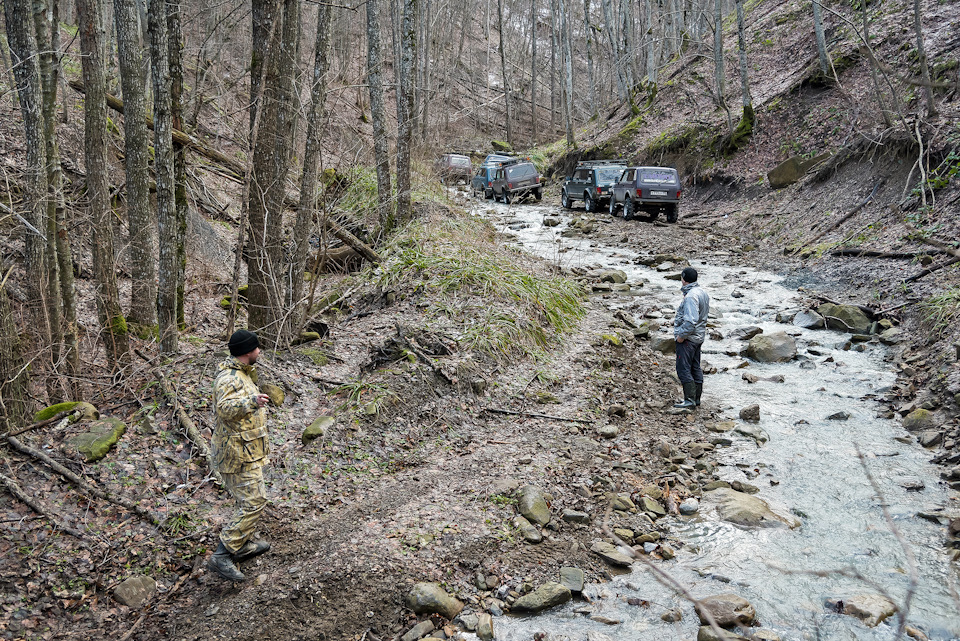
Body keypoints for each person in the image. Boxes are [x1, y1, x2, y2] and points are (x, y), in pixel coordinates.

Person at [208, 329, 272, 581]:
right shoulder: (229, 377)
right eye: (257, 347)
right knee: (254, 501)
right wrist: (251, 402)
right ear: (247, 351)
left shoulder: (241, 373)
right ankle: (222, 556)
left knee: (249, 501)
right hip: (236, 455)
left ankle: (241, 544)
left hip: (245, 451)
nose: (259, 351)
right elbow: (224, 409)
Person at [673, 267, 710, 410]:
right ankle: (696, 399)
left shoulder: (690, 297)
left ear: (683, 279)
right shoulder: (702, 292)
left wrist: (681, 336)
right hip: (699, 337)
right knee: (695, 367)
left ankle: (689, 400)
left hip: (689, 338)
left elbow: (690, 321)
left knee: (683, 368)